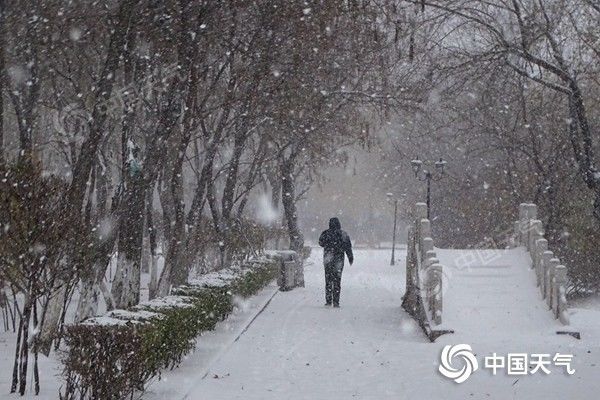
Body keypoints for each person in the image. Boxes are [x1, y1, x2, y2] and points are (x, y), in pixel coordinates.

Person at [318, 217, 353, 307]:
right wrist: (350, 257)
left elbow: (321, 243)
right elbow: (348, 247)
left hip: (328, 260)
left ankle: (328, 300)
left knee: (328, 280)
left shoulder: (325, 233)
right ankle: (336, 302)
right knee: (337, 280)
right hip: (339, 260)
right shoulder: (343, 234)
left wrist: (329, 244)